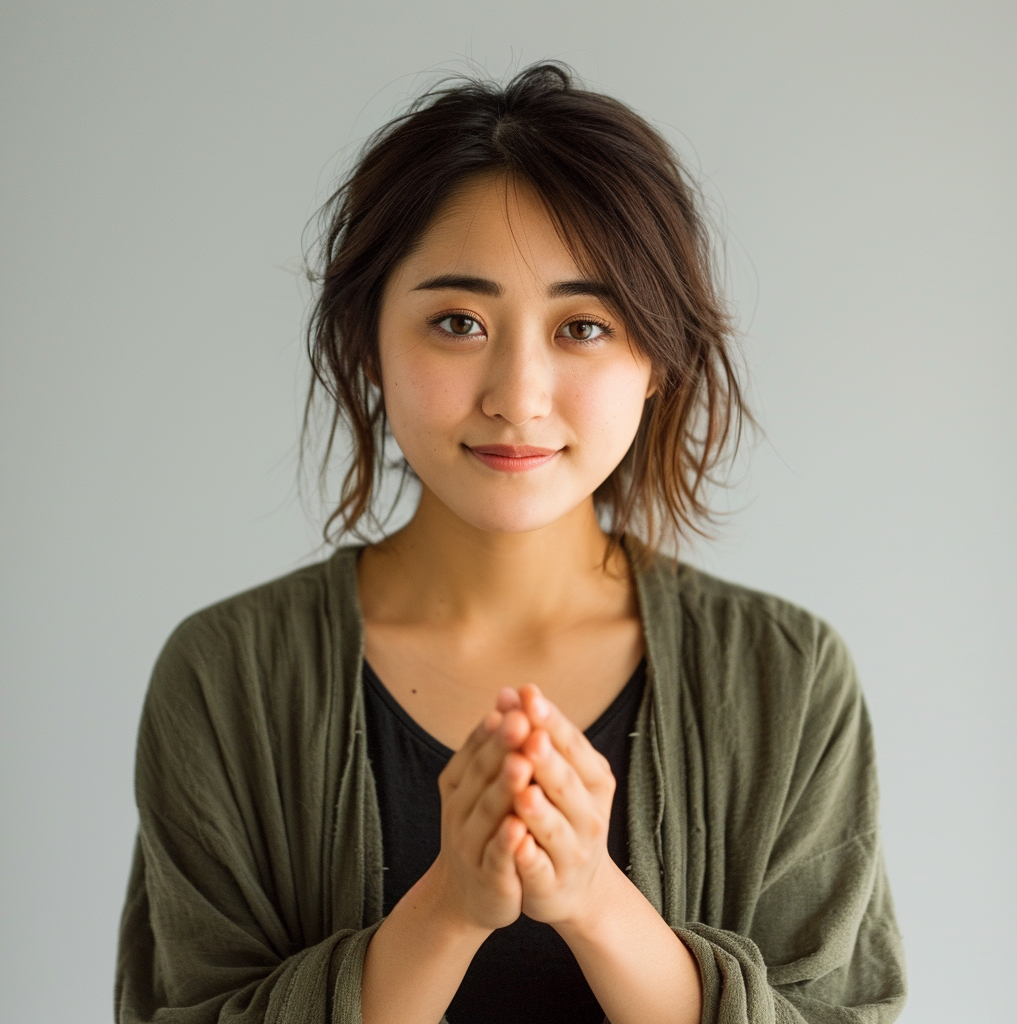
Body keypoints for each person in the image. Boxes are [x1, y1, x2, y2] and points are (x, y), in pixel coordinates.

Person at [114, 62, 907, 1024]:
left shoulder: (788, 679)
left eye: (583, 326)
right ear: (368, 339)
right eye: (458, 322)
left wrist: (596, 903)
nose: (518, 394)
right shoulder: (226, 677)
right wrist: (448, 910)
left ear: (655, 357)